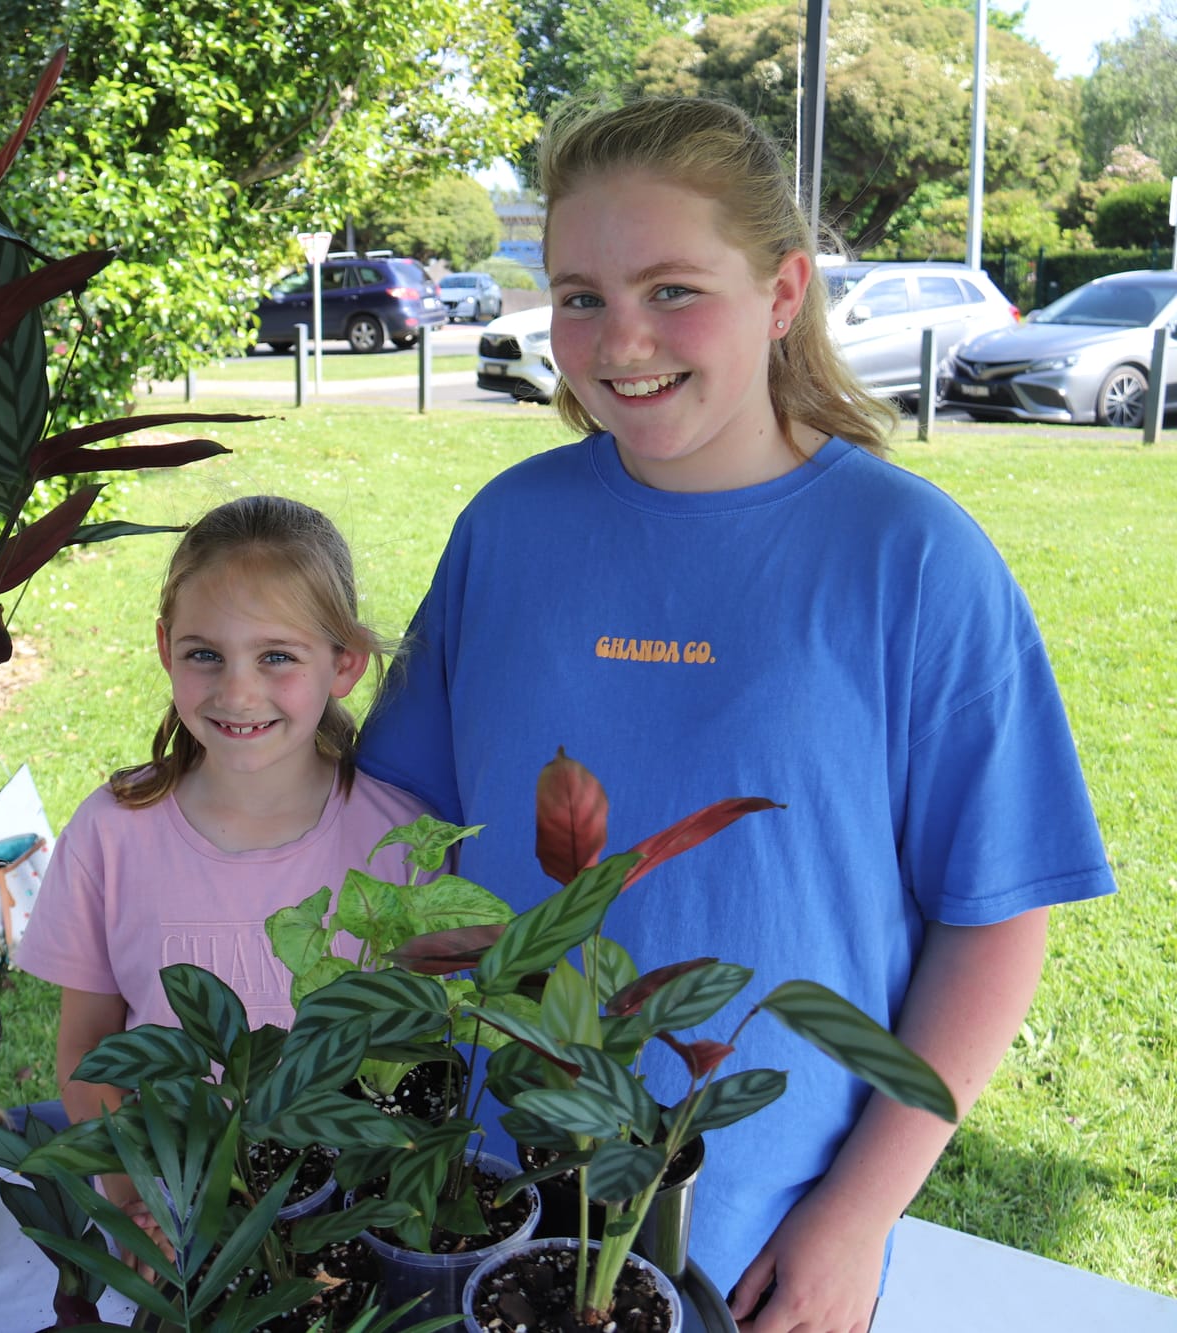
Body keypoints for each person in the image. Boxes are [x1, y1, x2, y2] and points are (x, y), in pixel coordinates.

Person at [356, 96, 1114, 1333]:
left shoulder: (910, 558)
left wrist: (855, 1218)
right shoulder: (504, 529)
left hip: (765, 1226)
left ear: (780, 293)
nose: (616, 339)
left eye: (670, 288)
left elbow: (994, 921)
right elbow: (397, 818)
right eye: (579, 294)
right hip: (490, 1197)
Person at [15, 494, 428, 1259]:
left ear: (344, 662)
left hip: (343, 1233)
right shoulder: (112, 831)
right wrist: (133, 1192)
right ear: (167, 646)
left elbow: (422, 1069)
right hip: (177, 1221)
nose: (237, 692)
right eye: (206, 653)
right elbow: (85, 1047)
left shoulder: (400, 844)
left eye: (277, 655)